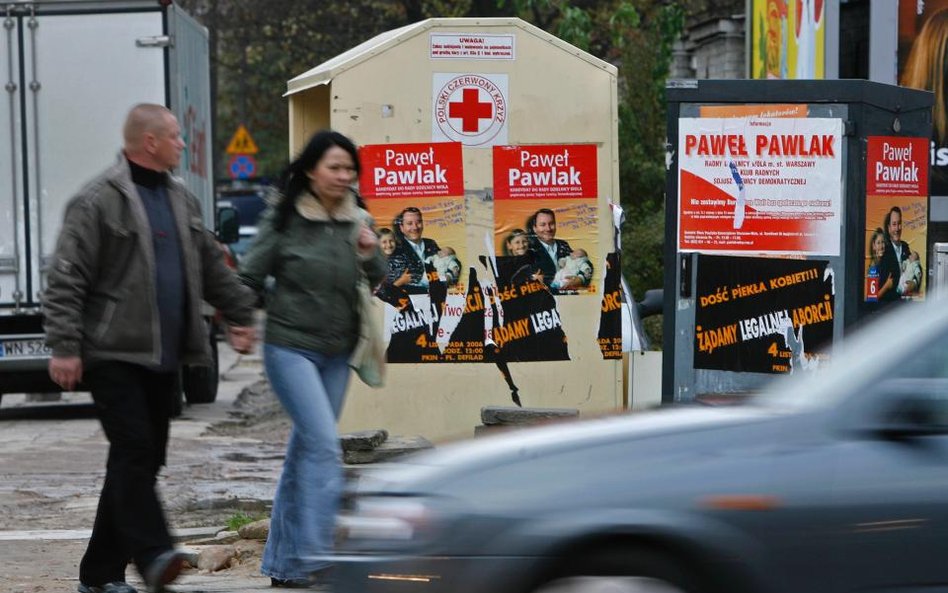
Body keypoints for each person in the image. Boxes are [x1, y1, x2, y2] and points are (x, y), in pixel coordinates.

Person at [43, 103, 258, 593]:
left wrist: (242, 313)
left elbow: (209, 267)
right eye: (177, 137)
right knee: (134, 451)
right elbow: (66, 277)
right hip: (110, 352)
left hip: (164, 357)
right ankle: (155, 553)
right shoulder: (99, 201)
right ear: (150, 142)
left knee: (137, 462)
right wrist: (65, 346)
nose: (183, 144)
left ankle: (98, 576)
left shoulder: (182, 200)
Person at [238, 130, 386, 589]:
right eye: (334, 167)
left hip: (338, 351)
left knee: (304, 451)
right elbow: (249, 275)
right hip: (290, 347)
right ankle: (322, 554)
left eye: (349, 169)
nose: (344, 176)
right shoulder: (284, 219)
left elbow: (379, 278)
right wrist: (240, 321)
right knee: (323, 444)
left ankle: (287, 565)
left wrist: (369, 251)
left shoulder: (356, 217)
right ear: (309, 171)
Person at [526, 208, 592, 292]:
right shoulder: (529, 249)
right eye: (543, 225)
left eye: (551, 224)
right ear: (534, 228)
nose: (548, 228)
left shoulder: (563, 244)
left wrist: (580, 279)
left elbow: (583, 262)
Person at [392, 207, 458, 290]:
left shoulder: (430, 243)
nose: (415, 227)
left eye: (418, 222)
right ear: (401, 228)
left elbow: (449, 259)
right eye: (409, 223)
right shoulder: (396, 250)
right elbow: (397, 283)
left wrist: (449, 276)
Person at [879, 206, 918, 301]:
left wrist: (914, 283)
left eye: (899, 224)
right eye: (894, 224)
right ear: (889, 228)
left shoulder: (905, 246)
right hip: (889, 306)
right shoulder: (884, 251)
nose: (897, 228)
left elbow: (914, 269)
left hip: (905, 305)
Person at [868, 227, 894, 301]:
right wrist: (887, 285)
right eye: (878, 243)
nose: (882, 246)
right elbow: (872, 297)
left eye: (883, 242)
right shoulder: (873, 268)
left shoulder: (885, 263)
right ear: (874, 246)